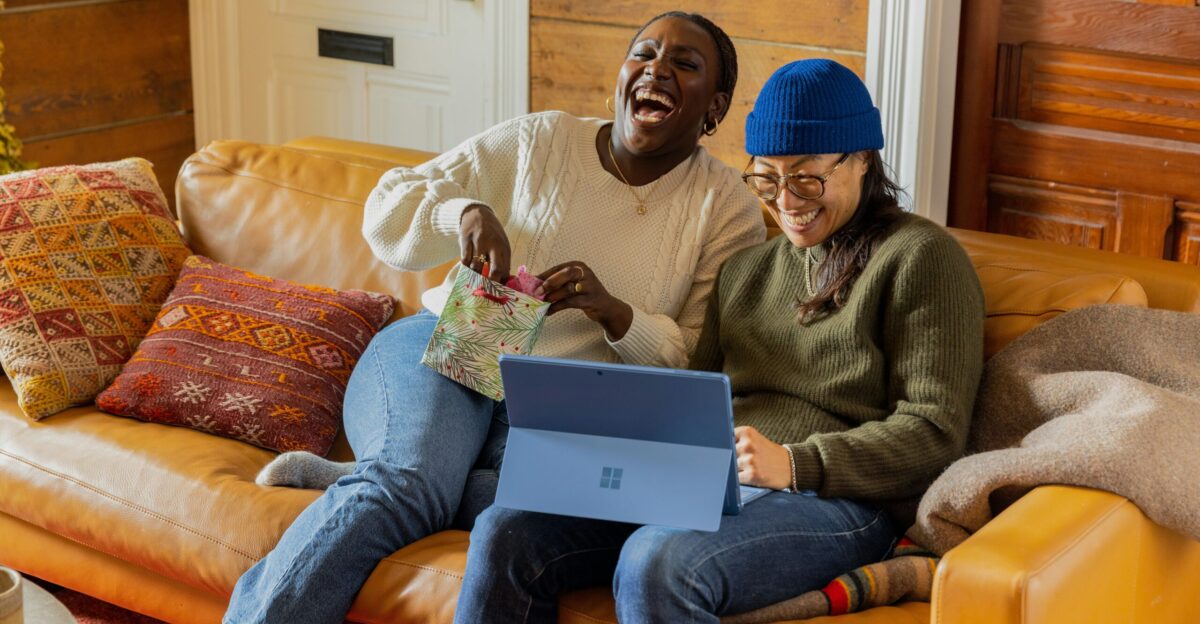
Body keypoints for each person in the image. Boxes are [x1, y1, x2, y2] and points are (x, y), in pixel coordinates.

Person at [222, 11, 766, 624]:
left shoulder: (728, 209)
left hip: (563, 411)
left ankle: (376, 472)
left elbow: (698, 358)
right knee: (406, 488)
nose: (656, 70)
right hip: (451, 342)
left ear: (715, 106)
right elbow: (386, 207)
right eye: (643, 53)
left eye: (684, 64)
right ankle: (387, 483)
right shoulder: (542, 140)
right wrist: (464, 213)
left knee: (526, 504)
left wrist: (617, 315)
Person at [455, 59, 986, 623]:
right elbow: (693, 400)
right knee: (505, 528)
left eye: (807, 178)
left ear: (862, 159)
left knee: (659, 560)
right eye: (767, 179)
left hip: (839, 500)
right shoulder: (745, 271)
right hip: (711, 483)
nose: (787, 202)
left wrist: (796, 463)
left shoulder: (921, 257)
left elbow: (934, 432)